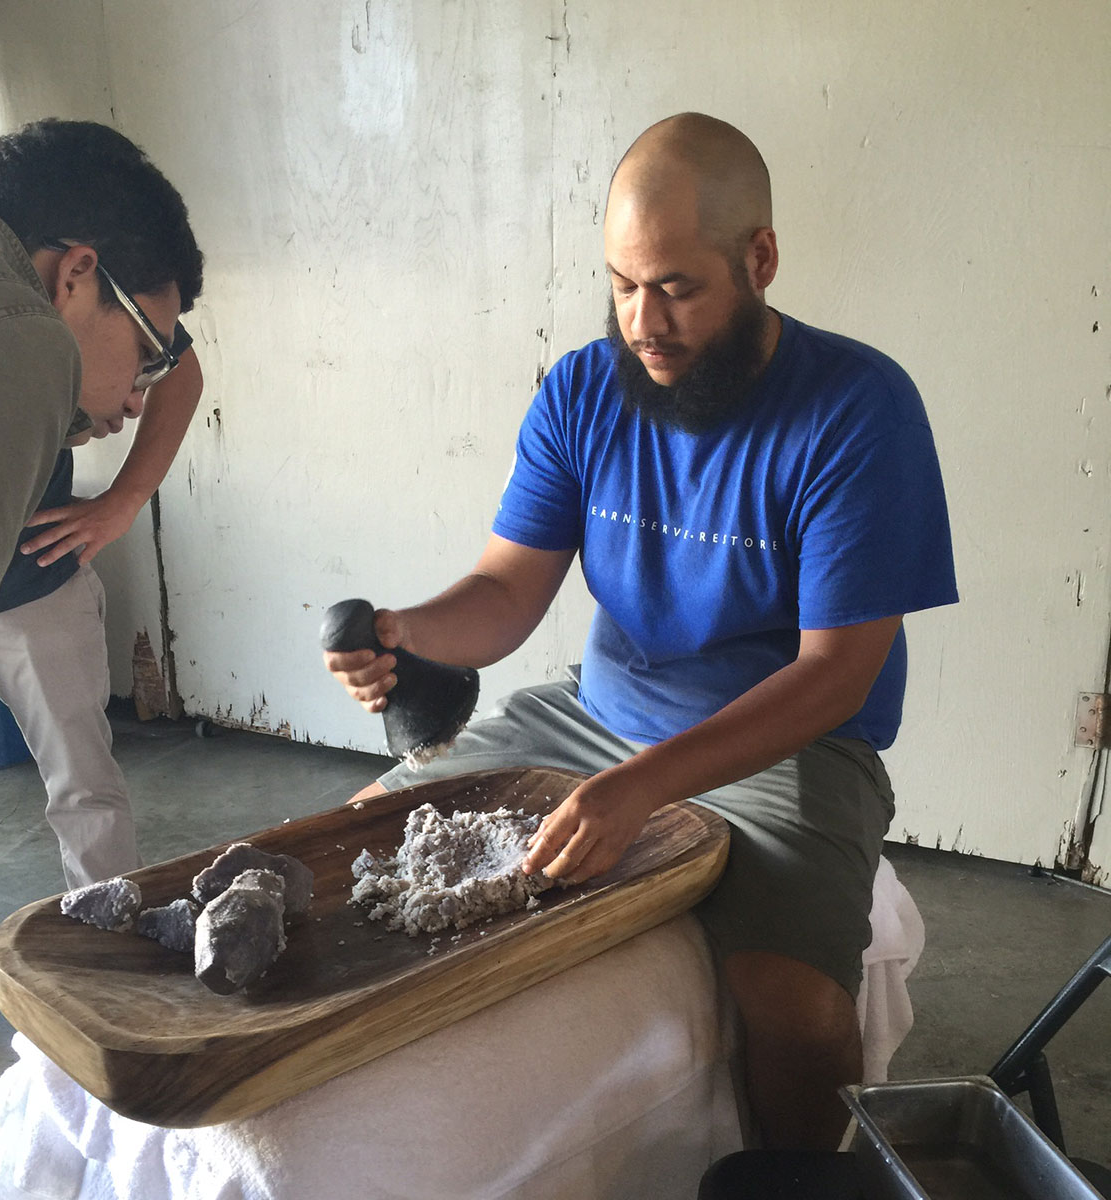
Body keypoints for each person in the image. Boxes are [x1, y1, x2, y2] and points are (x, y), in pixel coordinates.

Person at [324, 113, 958, 1150]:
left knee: (795, 1013)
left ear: (759, 259)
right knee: (355, 839)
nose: (642, 321)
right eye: (621, 284)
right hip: (592, 717)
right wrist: (410, 631)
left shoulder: (859, 409)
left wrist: (648, 784)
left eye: (676, 287)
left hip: (784, 746)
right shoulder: (583, 390)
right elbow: (505, 590)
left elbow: (836, 678)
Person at [0, 1, 206, 1000]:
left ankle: (106, 939)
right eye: (146, 351)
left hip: (31, 571)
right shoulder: (14, 339)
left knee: (78, 774)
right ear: (77, 273)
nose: (138, 395)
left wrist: (118, 505)